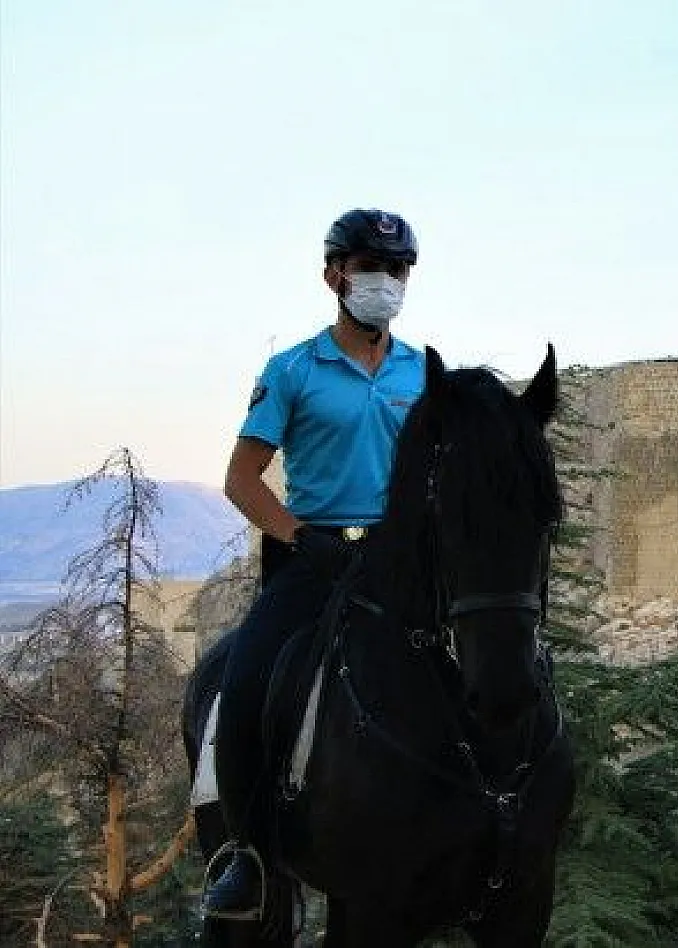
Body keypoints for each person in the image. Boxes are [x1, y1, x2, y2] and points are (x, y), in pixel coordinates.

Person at [201, 208, 426, 920]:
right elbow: (242, 479)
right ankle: (247, 854)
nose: (383, 282)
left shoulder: (423, 371)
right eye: (370, 268)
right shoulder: (291, 370)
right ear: (335, 275)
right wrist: (299, 536)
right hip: (314, 557)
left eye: (395, 270)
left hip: (403, 561)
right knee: (246, 679)